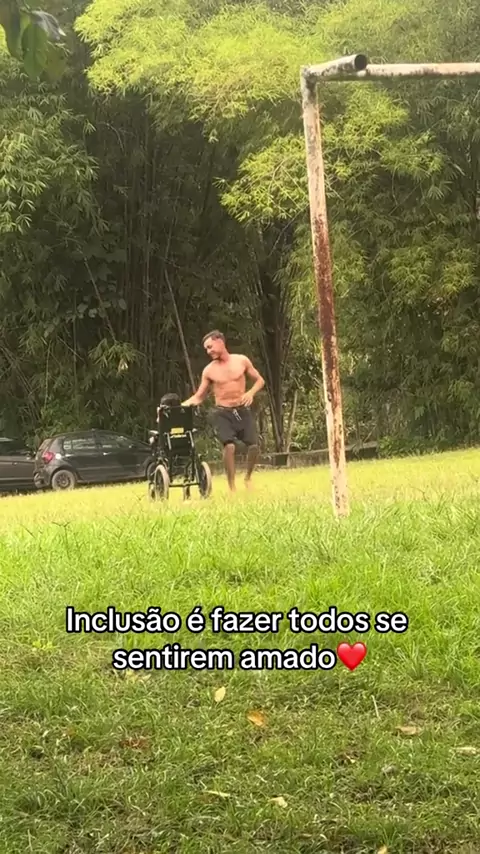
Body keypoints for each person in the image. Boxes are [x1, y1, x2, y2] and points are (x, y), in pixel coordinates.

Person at [182, 330, 265, 491]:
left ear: (220, 342)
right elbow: (198, 396)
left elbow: (260, 380)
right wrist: (177, 406)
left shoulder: (241, 360)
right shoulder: (209, 370)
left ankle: (248, 478)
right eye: (206, 349)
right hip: (222, 412)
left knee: (254, 446)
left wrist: (250, 393)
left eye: (210, 347)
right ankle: (232, 487)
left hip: (241, 410)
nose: (208, 351)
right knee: (229, 446)